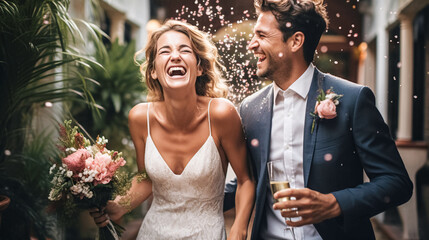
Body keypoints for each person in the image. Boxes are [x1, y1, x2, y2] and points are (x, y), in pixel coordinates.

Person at [224, 0, 413, 239]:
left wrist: (334, 203)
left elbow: (396, 183)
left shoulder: (353, 100)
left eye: (261, 35)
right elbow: (248, 178)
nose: (252, 45)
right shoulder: (250, 108)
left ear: (295, 41)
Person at [90, 20, 255, 240]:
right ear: (154, 71)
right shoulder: (140, 118)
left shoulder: (221, 114)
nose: (175, 56)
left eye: (184, 50)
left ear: (199, 67)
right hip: (152, 233)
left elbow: (245, 180)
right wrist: (118, 206)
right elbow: (146, 179)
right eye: (165, 51)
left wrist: (239, 229)